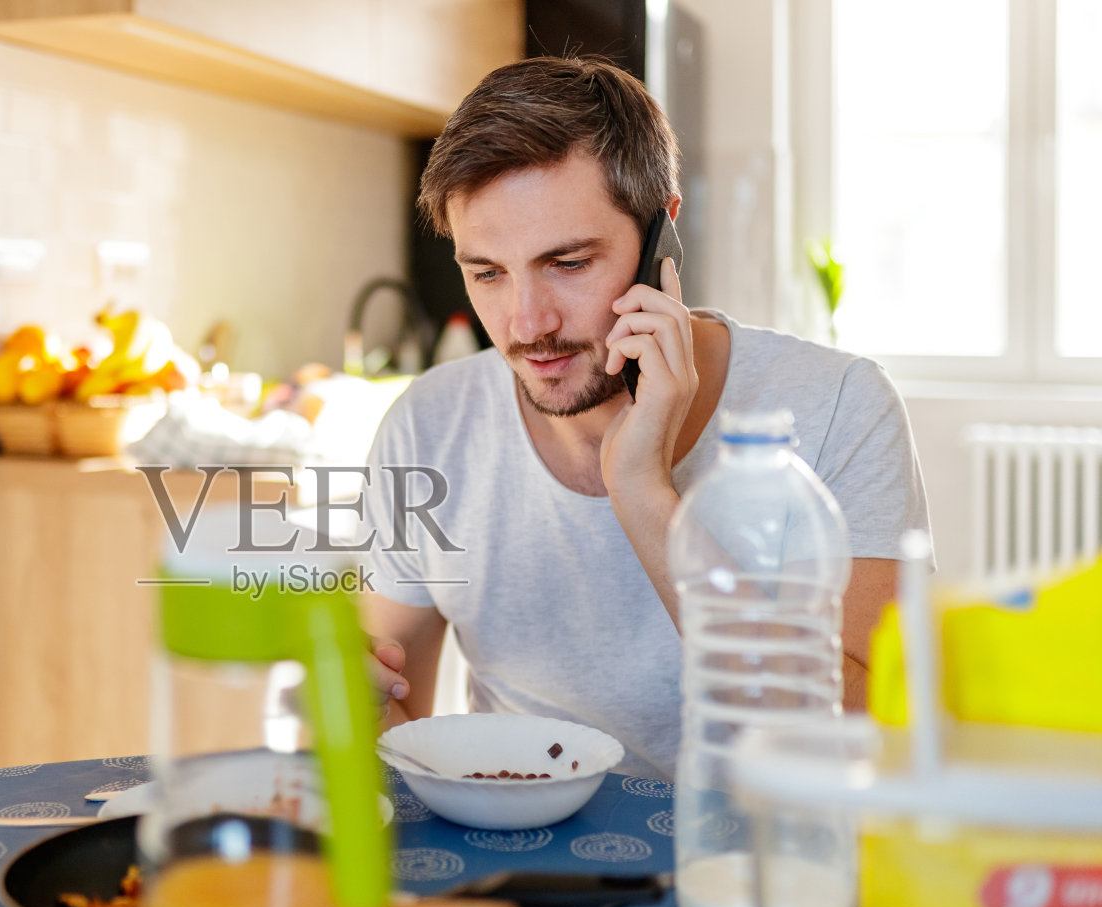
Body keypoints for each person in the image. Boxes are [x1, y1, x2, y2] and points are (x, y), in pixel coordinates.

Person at [360, 56, 930, 780]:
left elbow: (879, 744)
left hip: (763, 862)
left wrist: (645, 494)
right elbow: (397, 729)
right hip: (517, 869)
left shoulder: (840, 406)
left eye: (567, 262)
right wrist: (359, 704)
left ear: (662, 233)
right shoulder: (427, 426)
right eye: (487, 273)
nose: (525, 323)